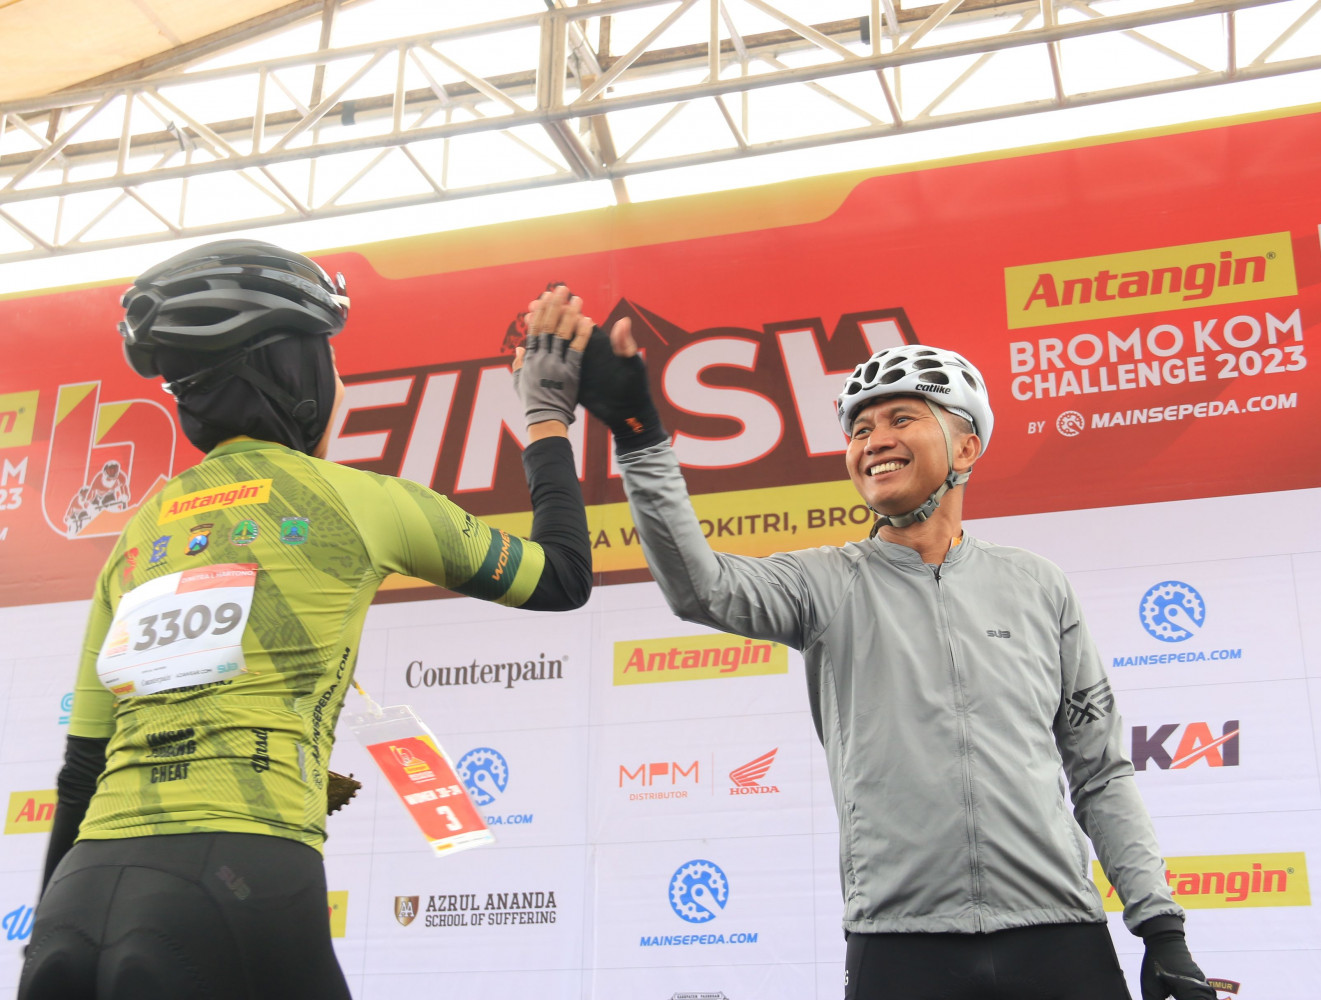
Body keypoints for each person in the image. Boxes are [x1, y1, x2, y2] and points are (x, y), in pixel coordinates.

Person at [569, 320, 1216, 1000]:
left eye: (901, 418)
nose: (873, 440)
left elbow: (1100, 772)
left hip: (1059, 934)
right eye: (859, 430)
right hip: (899, 944)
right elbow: (698, 587)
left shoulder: (1038, 585)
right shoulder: (823, 583)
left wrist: (1161, 930)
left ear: (965, 446)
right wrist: (638, 434)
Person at [20, 241, 598, 1000]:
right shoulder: (359, 501)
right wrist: (547, 414)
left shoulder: (142, 529)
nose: (340, 382)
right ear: (295, 376)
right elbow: (562, 576)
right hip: (240, 881)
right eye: (328, 360)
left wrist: (48, 936)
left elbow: (82, 773)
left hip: (79, 895)